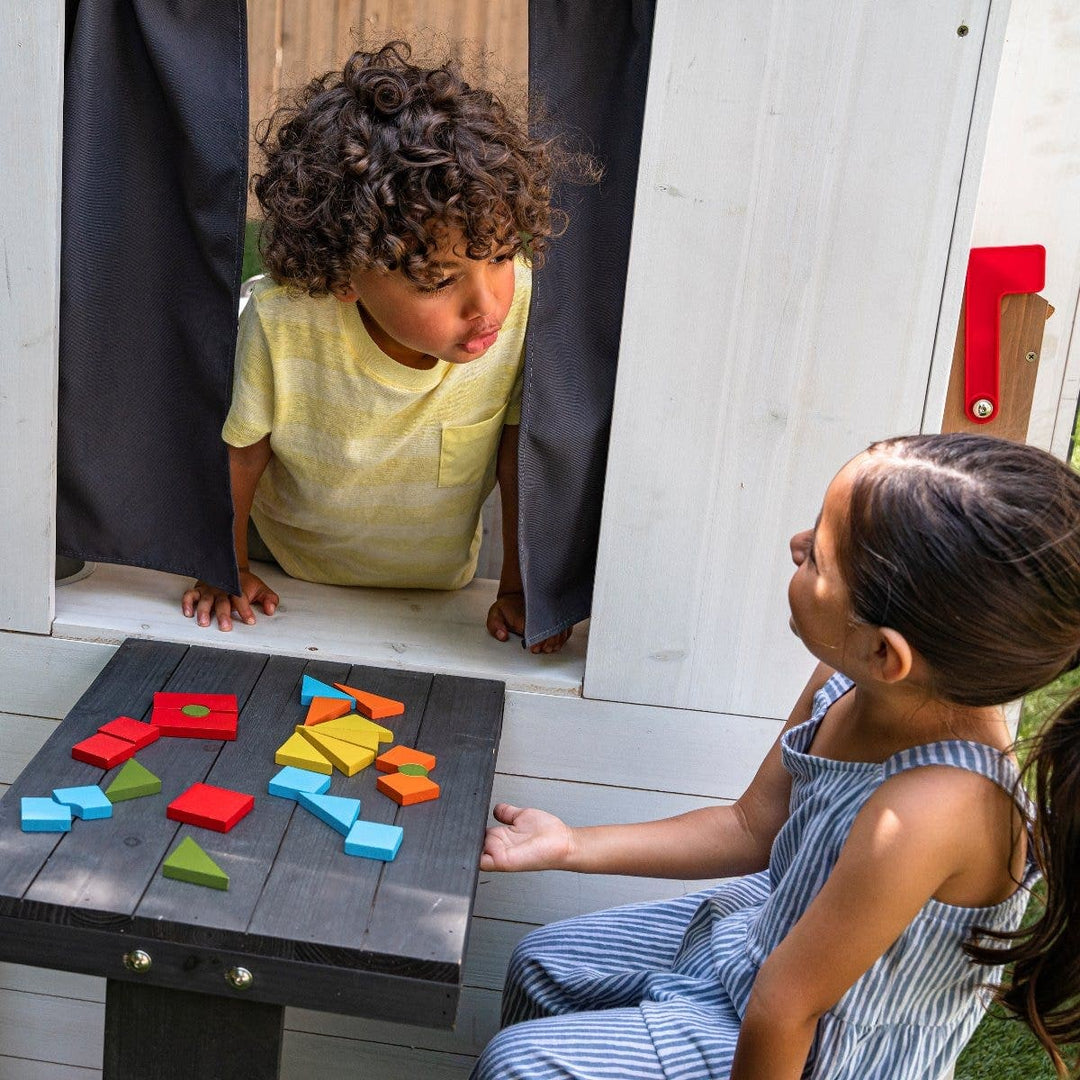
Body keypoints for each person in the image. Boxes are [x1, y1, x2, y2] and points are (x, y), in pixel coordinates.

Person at [475, 433, 1080, 1080]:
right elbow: (750, 827)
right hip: (766, 945)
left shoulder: (934, 809)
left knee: (520, 1066)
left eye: (818, 557)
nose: (795, 544)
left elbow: (785, 1011)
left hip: (812, 1049)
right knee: (542, 963)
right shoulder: (846, 682)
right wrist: (569, 845)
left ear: (886, 652)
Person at [180, 42, 575, 652]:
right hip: (291, 579)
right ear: (345, 275)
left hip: (438, 599)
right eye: (440, 279)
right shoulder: (282, 323)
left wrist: (522, 591)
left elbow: (519, 457)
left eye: (499, 256)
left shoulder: (519, 307)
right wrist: (224, 568)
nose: (486, 304)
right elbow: (242, 455)